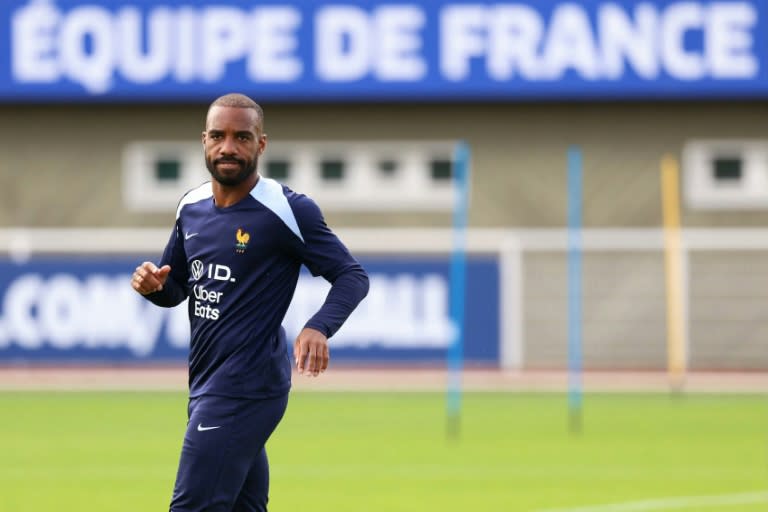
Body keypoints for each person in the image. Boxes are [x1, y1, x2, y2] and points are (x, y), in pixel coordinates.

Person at [130, 93, 369, 512]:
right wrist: (154, 288)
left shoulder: (287, 210)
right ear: (204, 141)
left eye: (242, 137)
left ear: (261, 144)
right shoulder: (190, 207)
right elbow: (176, 287)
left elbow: (352, 276)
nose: (228, 147)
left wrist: (318, 326)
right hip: (206, 381)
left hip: (246, 386)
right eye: (219, 136)